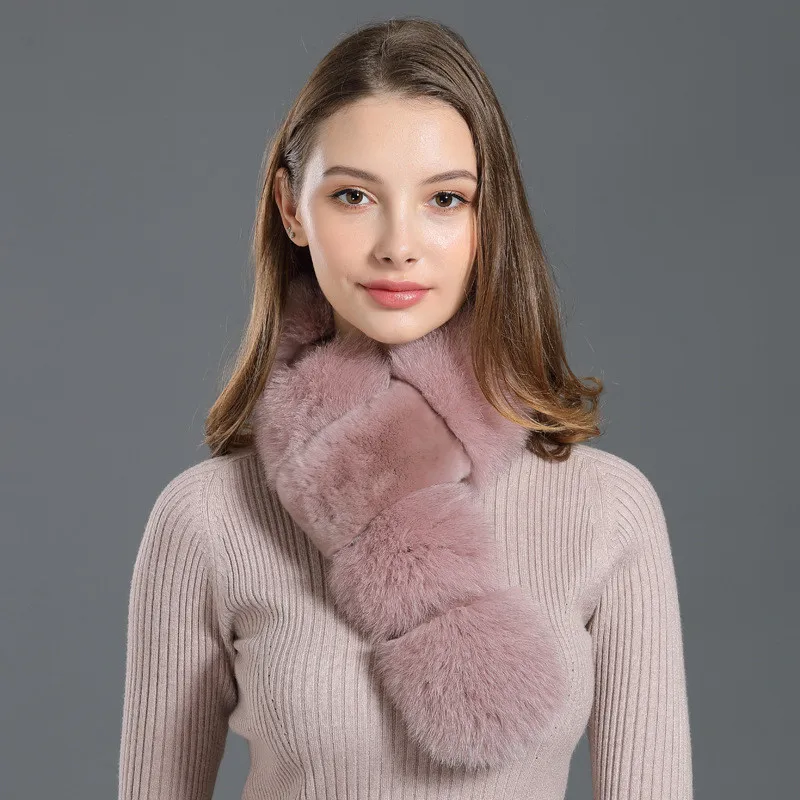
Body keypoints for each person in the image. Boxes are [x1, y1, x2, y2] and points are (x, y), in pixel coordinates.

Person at [118, 16, 692, 800]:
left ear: (488, 220)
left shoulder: (607, 511)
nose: (398, 244)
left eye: (445, 199)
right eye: (353, 196)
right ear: (291, 208)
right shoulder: (207, 520)